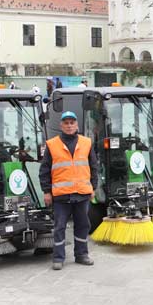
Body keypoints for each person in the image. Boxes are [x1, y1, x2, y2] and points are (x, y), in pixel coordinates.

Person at [39, 111, 98, 270]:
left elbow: (94, 167)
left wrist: (93, 187)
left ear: (77, 125)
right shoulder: (52, 145)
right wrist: (46, 191)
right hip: (61, 195)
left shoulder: (86, 143)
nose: (69, 125)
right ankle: (58, 258)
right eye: (66, 123)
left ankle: (81, 255)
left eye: (72, 122)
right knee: (59, 227)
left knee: (83, 225)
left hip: (82, 193)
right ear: (61, 125)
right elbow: (44, 170)